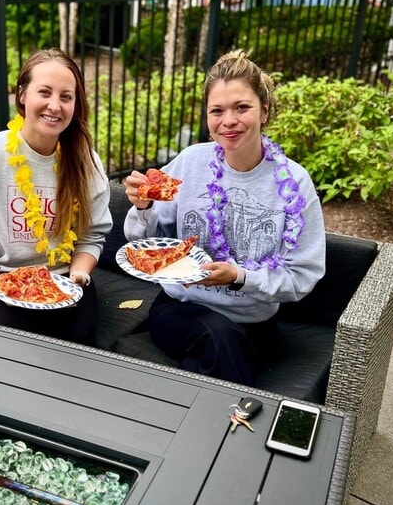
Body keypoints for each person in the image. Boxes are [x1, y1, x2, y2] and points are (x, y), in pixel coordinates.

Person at [123, 50, 325, 386]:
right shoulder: (191, 162)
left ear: (264, 110)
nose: (228, 120)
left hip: (252, 323)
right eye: (217, 110)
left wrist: (241, 277)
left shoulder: (294, 183)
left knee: (224, 342)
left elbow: (303, 275)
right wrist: (143, 207)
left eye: (241, 107)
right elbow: (143, 244)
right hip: (179, 309)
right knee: (222, 339)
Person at [0, 47, 112, 345]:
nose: (54, 106)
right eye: (44, 92)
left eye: (66, 97)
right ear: (22, 95)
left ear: (76, 105)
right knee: (18, 344)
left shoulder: (87, 162)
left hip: (64, 279)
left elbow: (92, 235)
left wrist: (79, 275)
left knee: (80, 341)